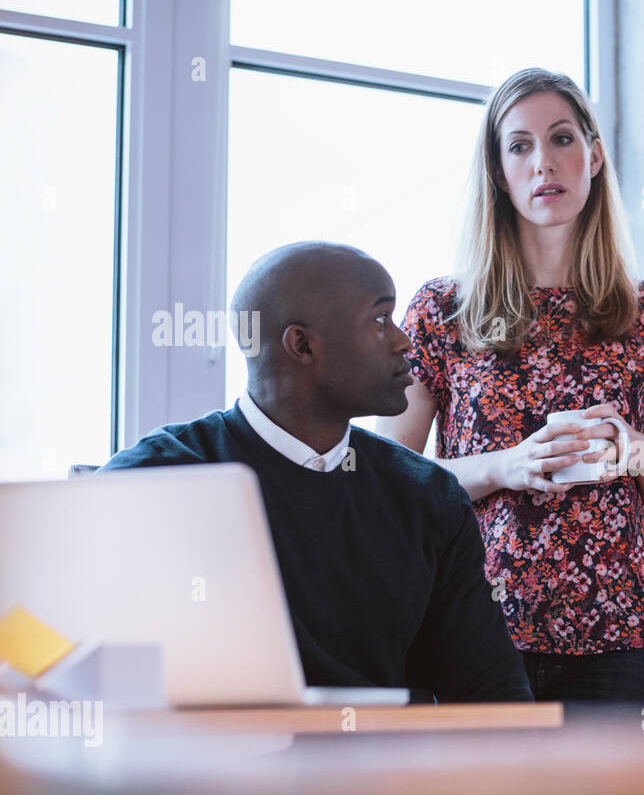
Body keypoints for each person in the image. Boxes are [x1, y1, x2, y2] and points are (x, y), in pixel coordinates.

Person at [378, 68, 644, 728]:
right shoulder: (442, 310)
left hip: (623, 640)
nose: (543, 162)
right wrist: (505, 466)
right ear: (497, 170)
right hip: (477, 630)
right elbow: (394, 485)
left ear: (594, 154)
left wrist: (635, 448)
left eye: (560, 139)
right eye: (519, 145)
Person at [100, 241, 532, 703]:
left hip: (375, 772)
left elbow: (492, 696)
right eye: (380, 318)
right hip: (208, 771)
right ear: (302, 345)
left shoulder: (427, 496)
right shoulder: (156, 477)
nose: (404, 340)